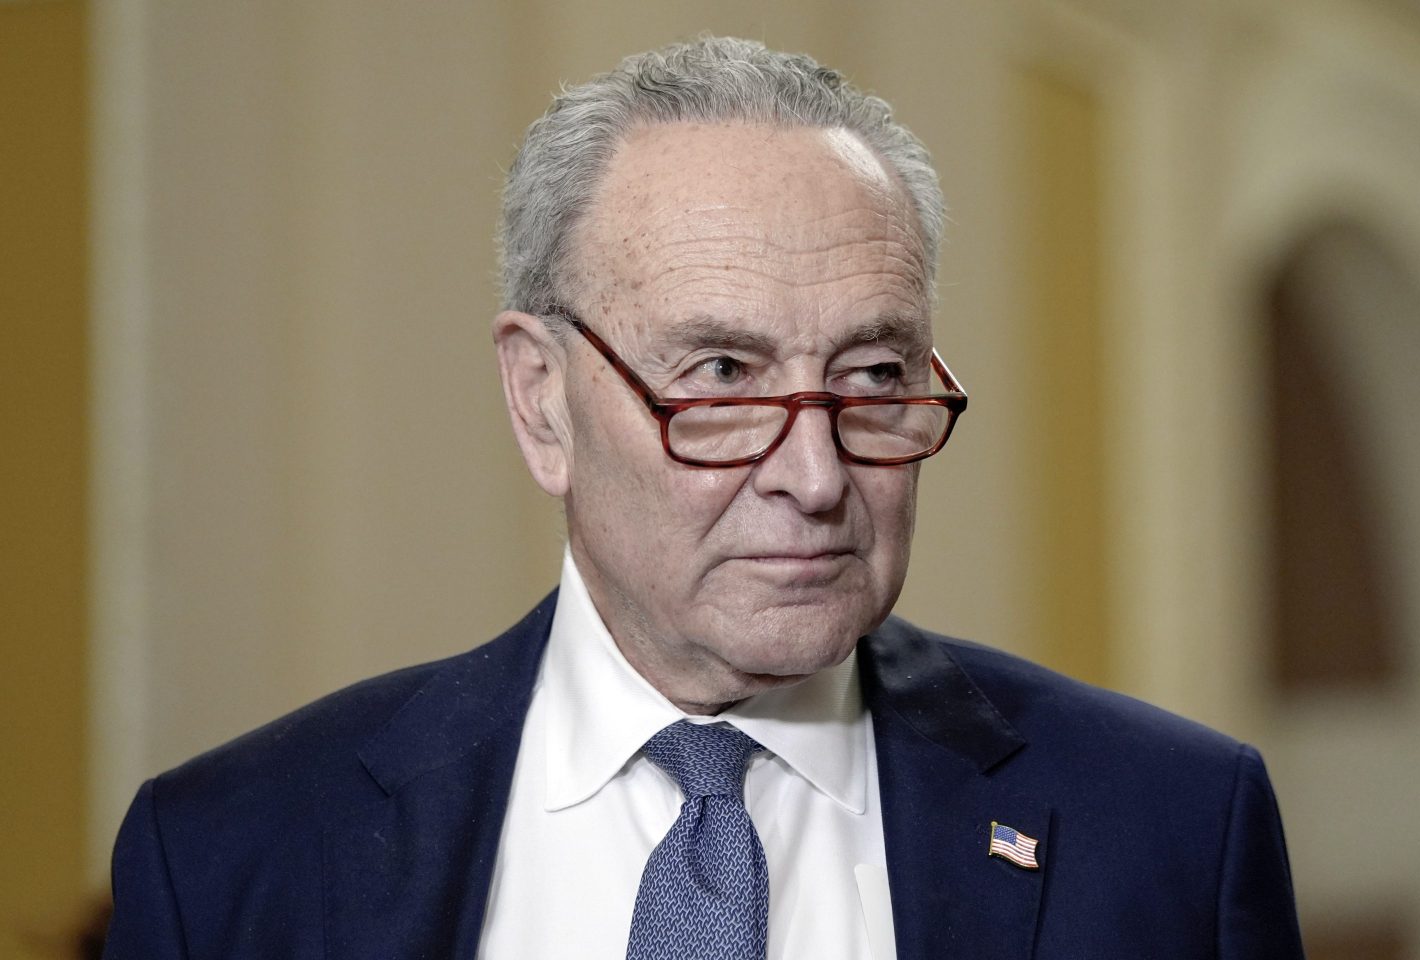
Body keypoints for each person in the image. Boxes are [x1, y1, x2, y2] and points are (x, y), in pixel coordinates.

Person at [102, 37, 1304, 959]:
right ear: (543, 401)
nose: (816, 477)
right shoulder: (234, 856)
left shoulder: (1169, 832)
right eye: (723, 376)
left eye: (872, 377)